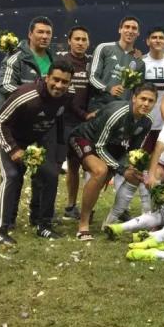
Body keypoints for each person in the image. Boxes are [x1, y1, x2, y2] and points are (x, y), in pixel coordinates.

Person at [0, 60, 74, 245]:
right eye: (56, 79)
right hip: (9, 138)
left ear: (69, 83)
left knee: (51, 175)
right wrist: (13, 149)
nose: (59, 85)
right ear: (47, 78)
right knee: (12, 176)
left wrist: (57, 152)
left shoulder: (67, 97)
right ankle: (0, 230)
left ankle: (44, 225)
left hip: (34, 142)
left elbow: (59, 121)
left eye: (64, 82)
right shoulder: (26, 94)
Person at [68, 83, 156, 240]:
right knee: (100, 171)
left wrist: (134, 169)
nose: (146, 104)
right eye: (143, 99)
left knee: (129, 173)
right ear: (134, 98)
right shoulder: (117, 112)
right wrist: (120, 169)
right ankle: (83, 225)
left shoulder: (147, 121)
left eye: (151, 101)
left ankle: (121, 216)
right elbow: (99, 146)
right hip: (85, 138)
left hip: (111, 145)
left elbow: (133, 151)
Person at [55, 26, 95, 221]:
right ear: (69, 41)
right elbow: (63, 94)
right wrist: (83, 114)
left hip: (85, 124)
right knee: (55, 165)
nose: (80, 42)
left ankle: (71, 206)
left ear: (88, 43)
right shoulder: (61, 62)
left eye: (84, 39)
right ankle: (47, 207)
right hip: (63, 120)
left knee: (76, 165)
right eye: (77, 39)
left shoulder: (92, 63)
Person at [0, 16, 55, 110]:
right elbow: (5, 86)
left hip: (41, 115)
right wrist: (36, 96)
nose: (45, 36)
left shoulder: (54, 60)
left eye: (48, 33)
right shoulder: (15, 58)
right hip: (15, 116)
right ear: (30, 34)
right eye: (40, 32)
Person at [88, 16, 145, 112]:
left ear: (138, 33)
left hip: (122, 110)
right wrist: (108, 88)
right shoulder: (104, 48)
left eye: (134, 28)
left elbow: (138, 92)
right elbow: (92, 77)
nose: (130, 31)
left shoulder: (140, 62)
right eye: (127, 27)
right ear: (120, 30)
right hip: (100, 106)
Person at [141, 27, 164, 150]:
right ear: (147, 41)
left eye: (161, 38)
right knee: (140, 158)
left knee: (162, 159)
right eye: (154, 37)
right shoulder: (140, 62)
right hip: (143, 122)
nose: (158, 40)